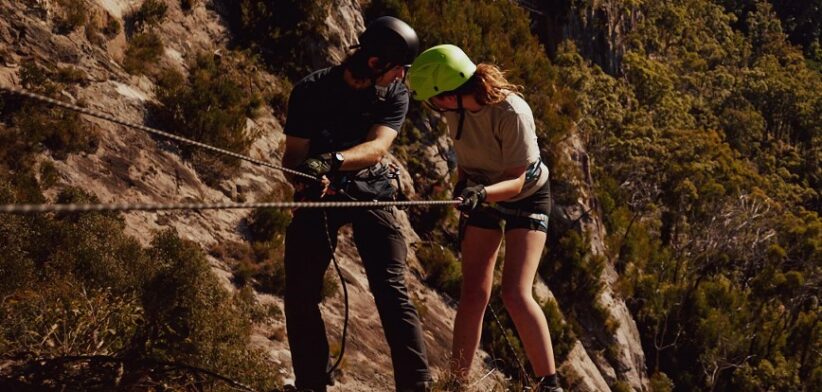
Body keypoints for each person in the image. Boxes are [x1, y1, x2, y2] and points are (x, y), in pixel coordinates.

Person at [281, 16, 432, 392]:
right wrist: (305, 177)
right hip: (322, 195)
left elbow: (378, 147)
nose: (402, 77)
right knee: (300, 291)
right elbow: (293, 157)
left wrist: (330, 161)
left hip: (372, 191)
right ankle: (310, 384)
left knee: (391, 287)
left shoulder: (394, 95)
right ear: (375, 62)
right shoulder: (311, 90)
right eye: (398, 68)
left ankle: (417, 387)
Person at [407, 44, 562, 392]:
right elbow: (466, 155)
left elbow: (519, 179)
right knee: (474, 293)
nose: (434, 108)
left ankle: (550, 385)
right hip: (481, 190)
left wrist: (481, 194)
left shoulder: (512, 112)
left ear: (446, 96)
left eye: (433, 101)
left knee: (515, 293)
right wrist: (464, 185)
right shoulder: (455, 111)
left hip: (526, 194)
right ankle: (456, 382)